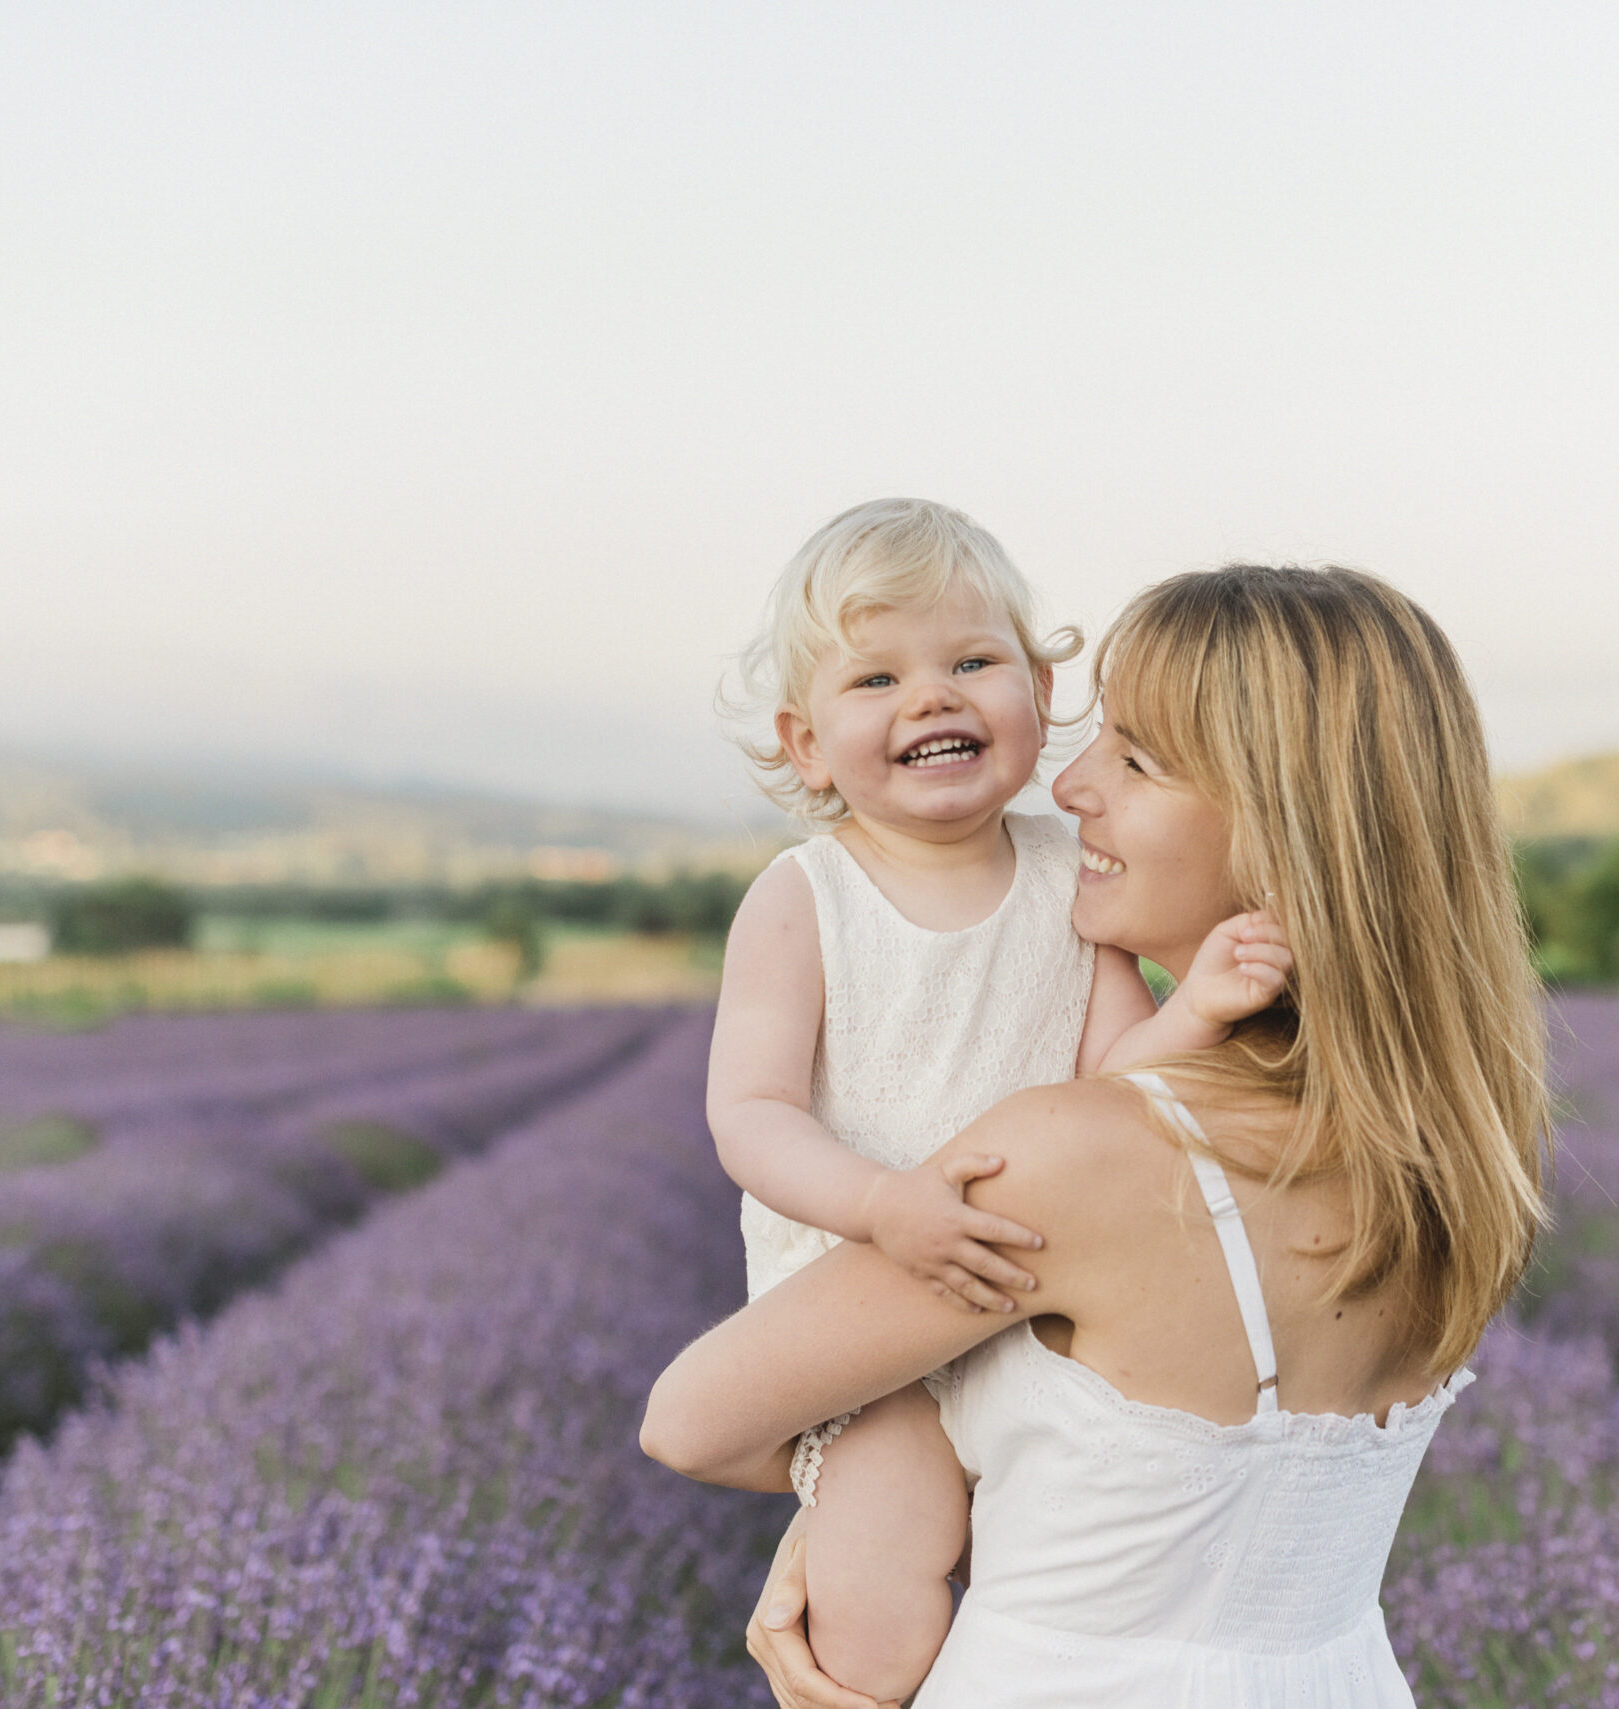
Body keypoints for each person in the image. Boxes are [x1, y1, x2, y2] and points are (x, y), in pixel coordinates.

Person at [647, 562, 1549, 1708]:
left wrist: (852, 1501)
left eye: (1135, 756)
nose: (1072, 786)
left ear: (1285, 824)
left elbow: (687, 1421)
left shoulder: (1072, 1160)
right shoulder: (1454, 1154)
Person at [706, 500, 1297, 1700]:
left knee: (1064, 1585)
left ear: (1037, 689)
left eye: (971, 662)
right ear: (806, 743)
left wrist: (1198, 1011)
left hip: (1036, 1302)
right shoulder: (803, 896)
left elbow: (1115, 1090)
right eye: (875, 677)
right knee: (873, 1598)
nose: (931, 697)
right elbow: (751, 1114)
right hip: (869, 1330)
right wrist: (885, 1205)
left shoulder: (1071, 882)